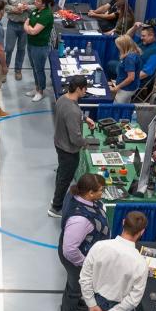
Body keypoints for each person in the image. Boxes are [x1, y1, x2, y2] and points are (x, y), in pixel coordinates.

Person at [56, 174, 108, 311]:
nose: (103, 192)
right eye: (101, 190)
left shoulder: (75, 194)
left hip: (81, 254)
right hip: (77, 259)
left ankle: (76, 301)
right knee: (74, 287)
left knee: (75, 285)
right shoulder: (80, 220)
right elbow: (70, 250)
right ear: (90, 193)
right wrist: (86, 264)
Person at [49, 75, 92, 218]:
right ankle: (56, 208)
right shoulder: (72, 110)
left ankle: (57, 199)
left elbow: (75, 114)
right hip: (68, 150)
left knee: (61, 173)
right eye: (85, 88)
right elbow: (75, 138)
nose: (86, 91)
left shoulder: (63, 98)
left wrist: (85, 118)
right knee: (65, 179)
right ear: (79, 89)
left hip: (59, 144)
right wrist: (86, 143)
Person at [3, 0, 40, 81]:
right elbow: (4, 5)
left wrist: (27, 7)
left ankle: (18, 70)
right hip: (12, 24)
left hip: (26, 25)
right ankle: (5, 70)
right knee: (8, 48)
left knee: (21, 49)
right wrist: (13, 9)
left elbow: (38, 5)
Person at [23, 0, 55, 102]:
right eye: (35, 0)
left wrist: (27, 27)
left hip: (40, 47)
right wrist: (28, 27)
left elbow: (33, 31)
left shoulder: (47, 15)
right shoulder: (35, 11)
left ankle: (40, 91)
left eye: (37, 1)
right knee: (34, 68)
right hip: (31, 44)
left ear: (44, 4)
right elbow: (26, 23)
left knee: (39, 69)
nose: (35, 2)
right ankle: (36, 87)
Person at [110, 34, 142, 104]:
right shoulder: (133, 54)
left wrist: (118, 86)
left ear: (124, 46)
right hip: (130, 87)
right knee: (125, 108)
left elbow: (131, 78)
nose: (117, 47)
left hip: (126, 89)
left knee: (116, 109)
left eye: (118, 46)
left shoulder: (129, 58)